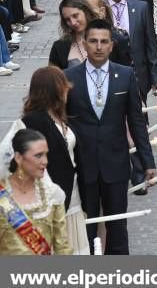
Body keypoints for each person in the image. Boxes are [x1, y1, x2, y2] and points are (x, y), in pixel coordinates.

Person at [64, 18, 156, 254]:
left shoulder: (124, 75)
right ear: (84, 43)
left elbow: (136, 121)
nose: (98, 46)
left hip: (115, 165)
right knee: (87, 227)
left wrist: (148, 162)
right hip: (83, 166)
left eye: (104, 41)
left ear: (112, 45)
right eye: (93, 41)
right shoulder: (69, 77)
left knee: (117, 226)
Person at [21, 66, 90, 254]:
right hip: (53, 201)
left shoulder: (59, 116)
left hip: (73, 197)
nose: (67, 90)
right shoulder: (34, 121)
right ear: (53, 90)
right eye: (63, 87)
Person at [0, 127, 72, 254]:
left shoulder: (53, 194)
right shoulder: (2, 195)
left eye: (46, 154)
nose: (45, 161)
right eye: (38, 155)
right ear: (18, 158)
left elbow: (62, 247)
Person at [102, 0, 157, 101]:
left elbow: (150, 43)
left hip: (137, 77)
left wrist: (155, 77)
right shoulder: (98, 9)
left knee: (140, 119)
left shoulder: (141, 7)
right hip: (108, 77)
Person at [48, 0, 128, 69]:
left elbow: (126, 75)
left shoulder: (114, 40)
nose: (73, 22)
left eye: (75, 16)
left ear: (86, 12)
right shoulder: (59, 47)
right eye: (67, 19)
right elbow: (53, 78)